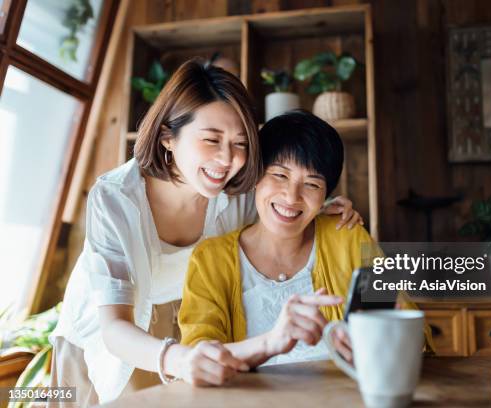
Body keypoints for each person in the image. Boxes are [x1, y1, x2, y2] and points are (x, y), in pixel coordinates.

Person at [48, 60, 362, 406]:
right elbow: (114, 328)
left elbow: (281, 199)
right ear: (168, 136)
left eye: (240, 143)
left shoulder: (236, 193)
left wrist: (324, 205)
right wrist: (177, 358)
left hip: (187, 328)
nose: (227, 160)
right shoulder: (115, 198)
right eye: (212, 140)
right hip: (109, 332)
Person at [179, 111, 432, 369]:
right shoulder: (210, 259)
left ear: (326, 194)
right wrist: (270, 341)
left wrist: (386, 338)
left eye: (311, 184)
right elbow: (198, 357)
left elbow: (412, 329)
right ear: (256, 175)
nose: (291, 197)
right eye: (280, 175)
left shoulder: (347, 238)